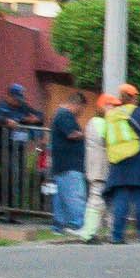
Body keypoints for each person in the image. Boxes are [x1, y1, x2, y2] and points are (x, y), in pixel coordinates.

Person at [103, 84, 140, 244]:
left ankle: (117, 236)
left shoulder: (111, 116)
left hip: (118, 160)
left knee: (121, 198)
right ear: (134, 97)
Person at [47, 97, 89, 235]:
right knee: (75, 195)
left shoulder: (59, 114)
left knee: (61, 198)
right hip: (70, 164)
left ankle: (59, 226)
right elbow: (72, 134)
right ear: (77, 105)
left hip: (61, 164)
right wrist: (85, 135)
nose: (82, 112)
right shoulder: (65, 115)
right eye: (82, 109)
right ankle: (78, 225)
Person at [80, 93, 112, 241]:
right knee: (96, 199)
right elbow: (109, 140)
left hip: (96, 166)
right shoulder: (101, 123)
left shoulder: (94, 122)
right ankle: (89, 233)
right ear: (104, 107)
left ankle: (94, 231)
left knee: (99, 199)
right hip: (100, 167)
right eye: (112, 106)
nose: (114, 109)